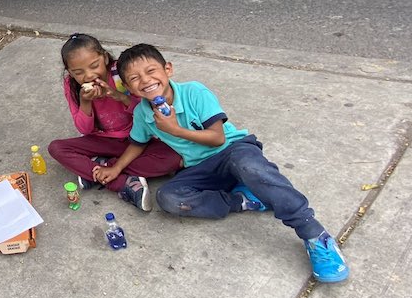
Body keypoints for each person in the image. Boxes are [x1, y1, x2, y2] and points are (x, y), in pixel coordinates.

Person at [114, 43, 350, 283]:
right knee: (169, 198)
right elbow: (137, 143)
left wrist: (174, 129)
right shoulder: (143, 114)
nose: (145, 80)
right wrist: (116, 168)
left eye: (151, 71)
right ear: (129, 87)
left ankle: (313, 234)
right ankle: (244, 200)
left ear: (168, 69)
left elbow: (217, 138)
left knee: (249, 166)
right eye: (134, 78)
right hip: (200, 168)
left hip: (234, 151)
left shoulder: (194, 92)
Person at [47, 34, 182, 211]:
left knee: (176, 158)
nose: (88, 75)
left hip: (139, 139)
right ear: (69, 72)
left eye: (94, 66)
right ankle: (123, 183)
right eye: (78, 72)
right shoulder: (71, 85)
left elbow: (148, 111)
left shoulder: (121, 73)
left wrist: (116, 95)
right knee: (56, 148)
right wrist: (85, 102)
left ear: (104, 57)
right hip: (104, 141)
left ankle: (100, 168)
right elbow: (84, 129)